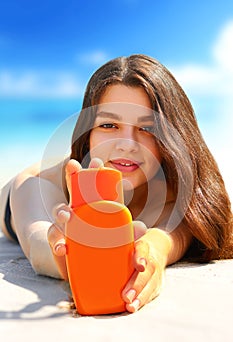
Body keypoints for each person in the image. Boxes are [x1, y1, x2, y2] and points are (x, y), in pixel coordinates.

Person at [0, 54, 232, 313]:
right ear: (88, 134)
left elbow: (174, 232)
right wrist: (70, 251)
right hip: (16, 198)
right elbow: (39, 242)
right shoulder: (39, 185)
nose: (127, 144)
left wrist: (153, 251)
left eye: (147, 129)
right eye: (109, 125)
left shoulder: (174, 190)